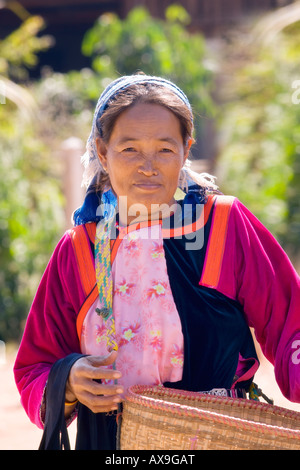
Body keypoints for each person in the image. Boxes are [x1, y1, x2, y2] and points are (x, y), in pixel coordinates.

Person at [14, 74, 300, 450]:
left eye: (164, 149)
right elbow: (35, 366)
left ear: (186, 149)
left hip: (217, 439)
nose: (148, 166)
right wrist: (69, 382)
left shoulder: (225, 226)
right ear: (102, 153)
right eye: (129, 149)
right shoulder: (79, 250)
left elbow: (290, 326)